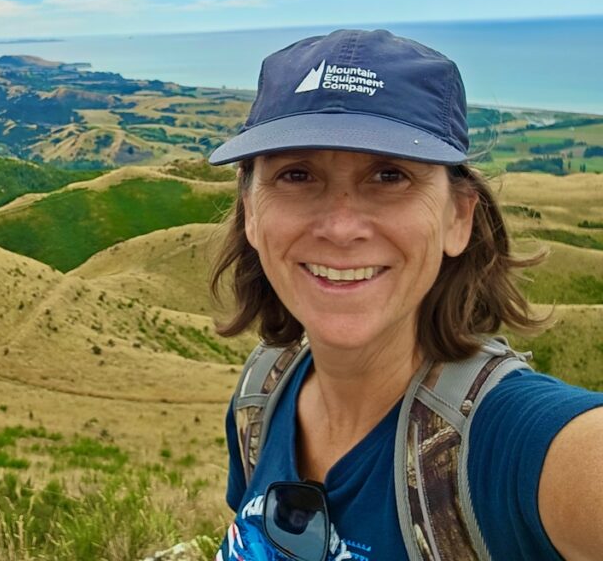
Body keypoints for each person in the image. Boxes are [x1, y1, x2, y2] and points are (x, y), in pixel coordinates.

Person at [208, 29, 603, 560]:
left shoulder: (509, 444)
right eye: (297, 174)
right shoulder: (263, 394)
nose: (342, 226)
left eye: (389, 175)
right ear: (251, 212)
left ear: (458, 218)